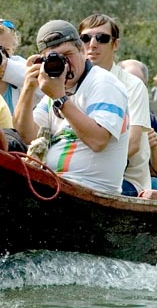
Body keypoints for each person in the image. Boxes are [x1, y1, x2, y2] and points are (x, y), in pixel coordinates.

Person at [14, 19, 129, 194]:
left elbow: (98, 141)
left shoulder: (104, 83)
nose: (65, 64)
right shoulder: (56, 88)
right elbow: (28, 135)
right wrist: (28, 88)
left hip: (91, 192)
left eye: (67, 55)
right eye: (54, 58)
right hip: (55, 185)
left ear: (82, 51)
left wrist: (60, 98)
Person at [78, 14, 151, 196]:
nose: (92, 44)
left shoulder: (133, 86)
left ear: (115, 45)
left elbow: (133, 144)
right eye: (85, 38)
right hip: (77, 175)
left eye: (102, 38)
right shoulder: (71, 83)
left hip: (126, 181)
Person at [119, 59, 157, 191]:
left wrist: (154, 149)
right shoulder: (108, 112)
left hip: (137, 182)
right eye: (129, 82)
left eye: (139, 84)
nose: (134, 88)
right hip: (110, 177)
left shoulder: (150, 119)